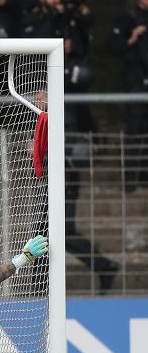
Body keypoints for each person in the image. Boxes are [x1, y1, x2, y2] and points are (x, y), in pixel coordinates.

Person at [33, 91, 119, 291]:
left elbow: (70, 148)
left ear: (49, 93)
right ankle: (40, 286)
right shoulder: (43, 116)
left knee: (59, 232)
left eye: (41, 94)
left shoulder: (63, 116)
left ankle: (40, 287)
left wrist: (45, 155)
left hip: (65, 182)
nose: (37, 98)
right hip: (53, 183)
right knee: (45, 232)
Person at [108, 0, 148, 191]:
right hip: (134, 83)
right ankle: (131, 180)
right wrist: (130, 40)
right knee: (134, 130)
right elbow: (111, 46)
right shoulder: (127, 19)